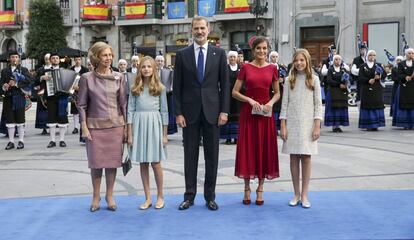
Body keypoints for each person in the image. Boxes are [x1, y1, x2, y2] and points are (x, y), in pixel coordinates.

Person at [173, 16, 230, 211]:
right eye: (196, 28)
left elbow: (225, 86)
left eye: (202, 28)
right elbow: (177, 87)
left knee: (212, 156)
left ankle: (210, 197)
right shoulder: (182, 55)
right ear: (191, 30)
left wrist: (224, 111)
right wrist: (178, 113)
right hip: (189, 115)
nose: (199, 32)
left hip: (213, 113)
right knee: (190, 155)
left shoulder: (219, 54)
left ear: (209, 29)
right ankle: (189, 196)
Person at [77, 42, 127, 212]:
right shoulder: (87, 78)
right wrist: (84, 126)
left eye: (110, 55)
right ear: (97, 57)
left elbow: (123, 104)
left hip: (116, 126)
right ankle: (96, 195)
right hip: (94, 127)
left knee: (112, 163)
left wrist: (126, 127)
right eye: (105, 55)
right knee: (96, 164)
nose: (108, 58)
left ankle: (110, 195)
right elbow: (81, 104)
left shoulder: (119, 77)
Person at [232, 37, 280, 205]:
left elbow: (277, 93)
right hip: (249, 114)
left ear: (268, 50)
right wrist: (249, 100)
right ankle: (246, 188)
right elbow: (235, 92)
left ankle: (260, 188)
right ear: (253, 50)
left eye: (264, 48)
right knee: (248, 149)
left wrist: (270, 103)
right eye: (258, 48)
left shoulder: (273, 68)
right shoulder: (245, 67)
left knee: (263, 148)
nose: (261, 51)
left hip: (265, 115)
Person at [279, 48, 323, 209]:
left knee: (306, 157)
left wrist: (317, 124)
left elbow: (318, 104)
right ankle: (296, 193)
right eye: (296, 60)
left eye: (302, 60)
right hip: (292, 123)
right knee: (293, 157)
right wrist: (282, 125)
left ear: (307, 61)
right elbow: (284, 104)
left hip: (308, 123)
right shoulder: (289, 79)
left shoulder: (314, 80)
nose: (299, 63)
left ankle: (305, 194)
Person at [127, 56, 168, 210]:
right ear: (139, 69)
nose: (146, 69)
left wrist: (164, 135)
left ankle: (160, 196)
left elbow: (164, 112)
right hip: (138, 125)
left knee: (156, 163)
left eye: (149, 67)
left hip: (154, 124)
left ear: (154, 69)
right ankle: (148, 197)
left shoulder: (160, 88)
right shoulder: (134, 88)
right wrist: (129, 134)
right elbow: (129, 110)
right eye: (143, 67)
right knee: (143, 163)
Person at [37, 53, 70, 148]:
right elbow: (35, 81)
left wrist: (71, 89)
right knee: (51, 119)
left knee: (62, 119)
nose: (55, 60)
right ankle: (52, 140)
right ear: (50, 60)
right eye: (53, 58)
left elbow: (71, 84)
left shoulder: (64, 71)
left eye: (57, 58)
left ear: (59, 60)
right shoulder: (45, 71)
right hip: (51, 97)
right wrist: (42, 77)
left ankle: (62, 140)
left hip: (62, 98)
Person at [0, 51, 32, 150]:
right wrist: (4, 86)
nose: (14, 59)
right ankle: (11, 141)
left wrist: (17, 84)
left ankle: (21, 141)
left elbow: (29, 81)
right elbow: (1, 83)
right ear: (9, 59)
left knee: (20, 120)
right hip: (8, 98)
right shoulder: (4, 71)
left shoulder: (24, 70)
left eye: (16, 57)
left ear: (19, 59)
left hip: (19, 97)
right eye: (12, 57)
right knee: (10, 120)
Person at [358, 50, 386, 131]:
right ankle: (368, 124)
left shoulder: (379, 65)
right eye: (370, 55)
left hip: (377, 89)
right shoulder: (363, 66)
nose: (372, 56)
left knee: (376, 105)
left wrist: (379, 76)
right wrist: (368, 80)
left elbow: (384, 74)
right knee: (368, 106)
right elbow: (360, 78)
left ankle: (376, 124)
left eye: (374, 55)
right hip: (366, 89)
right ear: (367, 56)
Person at [324, 55, 350, 132]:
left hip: (341, 93)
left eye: (339, 59)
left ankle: (338, 125)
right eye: (336, 59)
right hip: (332, 92)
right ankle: (334, 126)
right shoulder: (330, 70)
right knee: (333, 109)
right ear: (333, 61)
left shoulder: (343, 70)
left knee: (340, 109)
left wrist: (346, 84)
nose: (337, 61)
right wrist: (339, 84)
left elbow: (348, 78)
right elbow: (329, 80)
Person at [220, 51, 240, 144]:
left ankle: (236, 137)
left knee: (237, 117)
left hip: (237, 96)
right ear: (228, 58)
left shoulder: (241, 68)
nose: (232, 58)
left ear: (237, 58)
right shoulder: (225, 68)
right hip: (227, 95)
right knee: (227, 114)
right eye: (231, 57)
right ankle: (228, 138)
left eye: (234, 57)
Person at [155, 54, 177, 135]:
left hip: (167, 95)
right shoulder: (152, 71)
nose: (159, 62)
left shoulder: (169, 71)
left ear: (164, 62)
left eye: (161, 61)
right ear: (155, 62)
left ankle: (167, 131)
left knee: (167, 113)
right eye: (158, 61)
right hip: (154, 95)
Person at [393, 48, 414, 129]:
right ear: (406, 54)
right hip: (404, 88)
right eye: (409, 53)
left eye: (412, 53)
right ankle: (404, 123)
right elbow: (399, 75)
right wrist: (406, 77)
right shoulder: (401, 64)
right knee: (404, 104)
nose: (411, 54)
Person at [70, 55, 89, 135]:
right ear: (74, 60)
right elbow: (68, 79)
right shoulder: (71, 69)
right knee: (74, 110)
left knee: (82, 109)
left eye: (79, 59)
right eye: (76, 59)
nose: (78, 61)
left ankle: (82, 125)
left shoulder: (85, 69)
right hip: (73, 91)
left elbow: (87, 81)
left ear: (81, 60)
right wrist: (72, 87)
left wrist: (80, 87)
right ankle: (75, 127)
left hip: (82, 91)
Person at [34, 53, 52, 135]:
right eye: (46, 58)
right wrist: (41, 78)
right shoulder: (40, 70)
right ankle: (43, 127)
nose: (47, 60)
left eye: (49, 58)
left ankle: (53, 127)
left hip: (52, 92)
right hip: (42, 92)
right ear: (44, 60)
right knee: (42, 110)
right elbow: (35, 80)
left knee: (52, 110)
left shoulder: (54, 69)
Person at [269, 50, 287, 130]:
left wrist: (283, 80)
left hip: (280, 90)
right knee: (273, 108)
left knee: (279, 108)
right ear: (270, 58)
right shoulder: (267, 67)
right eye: (273, 57)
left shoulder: (281, 67)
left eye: (276, 57)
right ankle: (273, 127)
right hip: (270, 90)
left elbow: (285, 76)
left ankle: (279, 127)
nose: (275, 58)